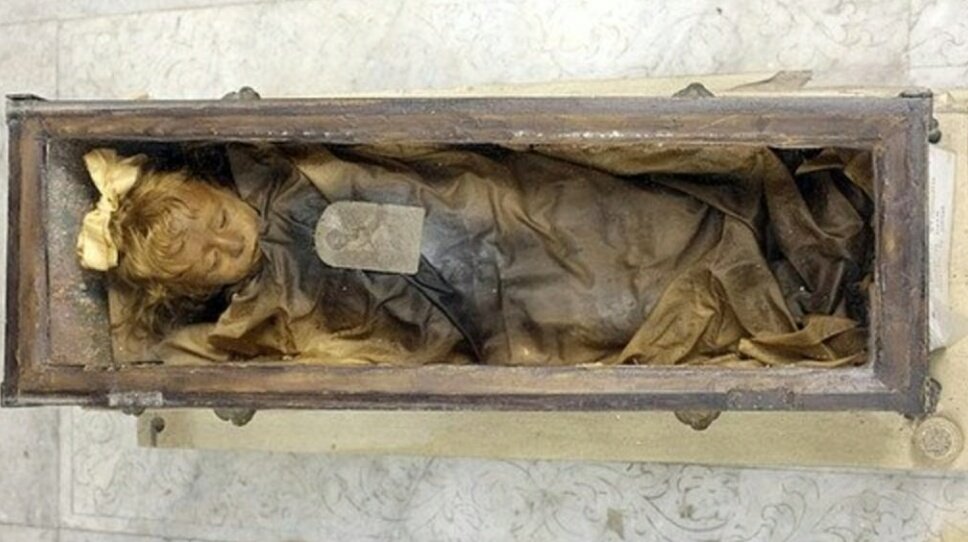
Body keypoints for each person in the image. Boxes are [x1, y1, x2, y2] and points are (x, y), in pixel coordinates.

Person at [76, 143, 871, 367]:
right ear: (196, 288)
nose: (230, 242)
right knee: (618, 307)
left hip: (506, 209)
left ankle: (762, 235)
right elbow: (174, 349)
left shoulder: (280, 170)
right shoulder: (260, 310)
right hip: (496, 312)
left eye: (218, 220)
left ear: (213, 186)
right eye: (210, 262)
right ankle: (774, 295)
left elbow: (407, 160)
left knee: (637, 220)